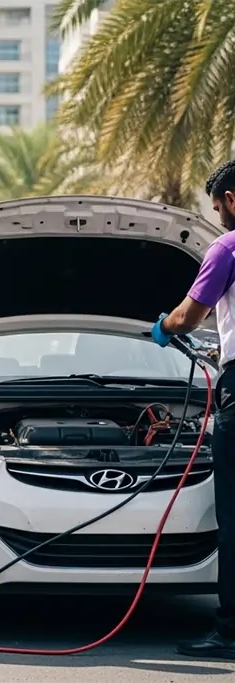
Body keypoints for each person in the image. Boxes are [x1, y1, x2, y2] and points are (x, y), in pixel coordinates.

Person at [152, 159, 235, 660]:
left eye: (218, 205)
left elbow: (189, 316)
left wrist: (164, 327)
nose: (218, 215)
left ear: (233, 199)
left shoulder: (228, 247)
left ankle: (230, 632)